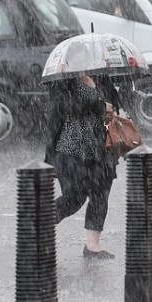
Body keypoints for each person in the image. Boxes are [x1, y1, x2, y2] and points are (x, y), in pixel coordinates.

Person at [46, 73, 120, 259]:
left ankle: (92, 246)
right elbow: (69, 107)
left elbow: (114, 102)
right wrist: (101, 106)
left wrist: (112, 106)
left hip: (101, 147)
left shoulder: (101, 76)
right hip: (73, 149)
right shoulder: (62, 82)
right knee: (74, 197)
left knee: (100, 194)